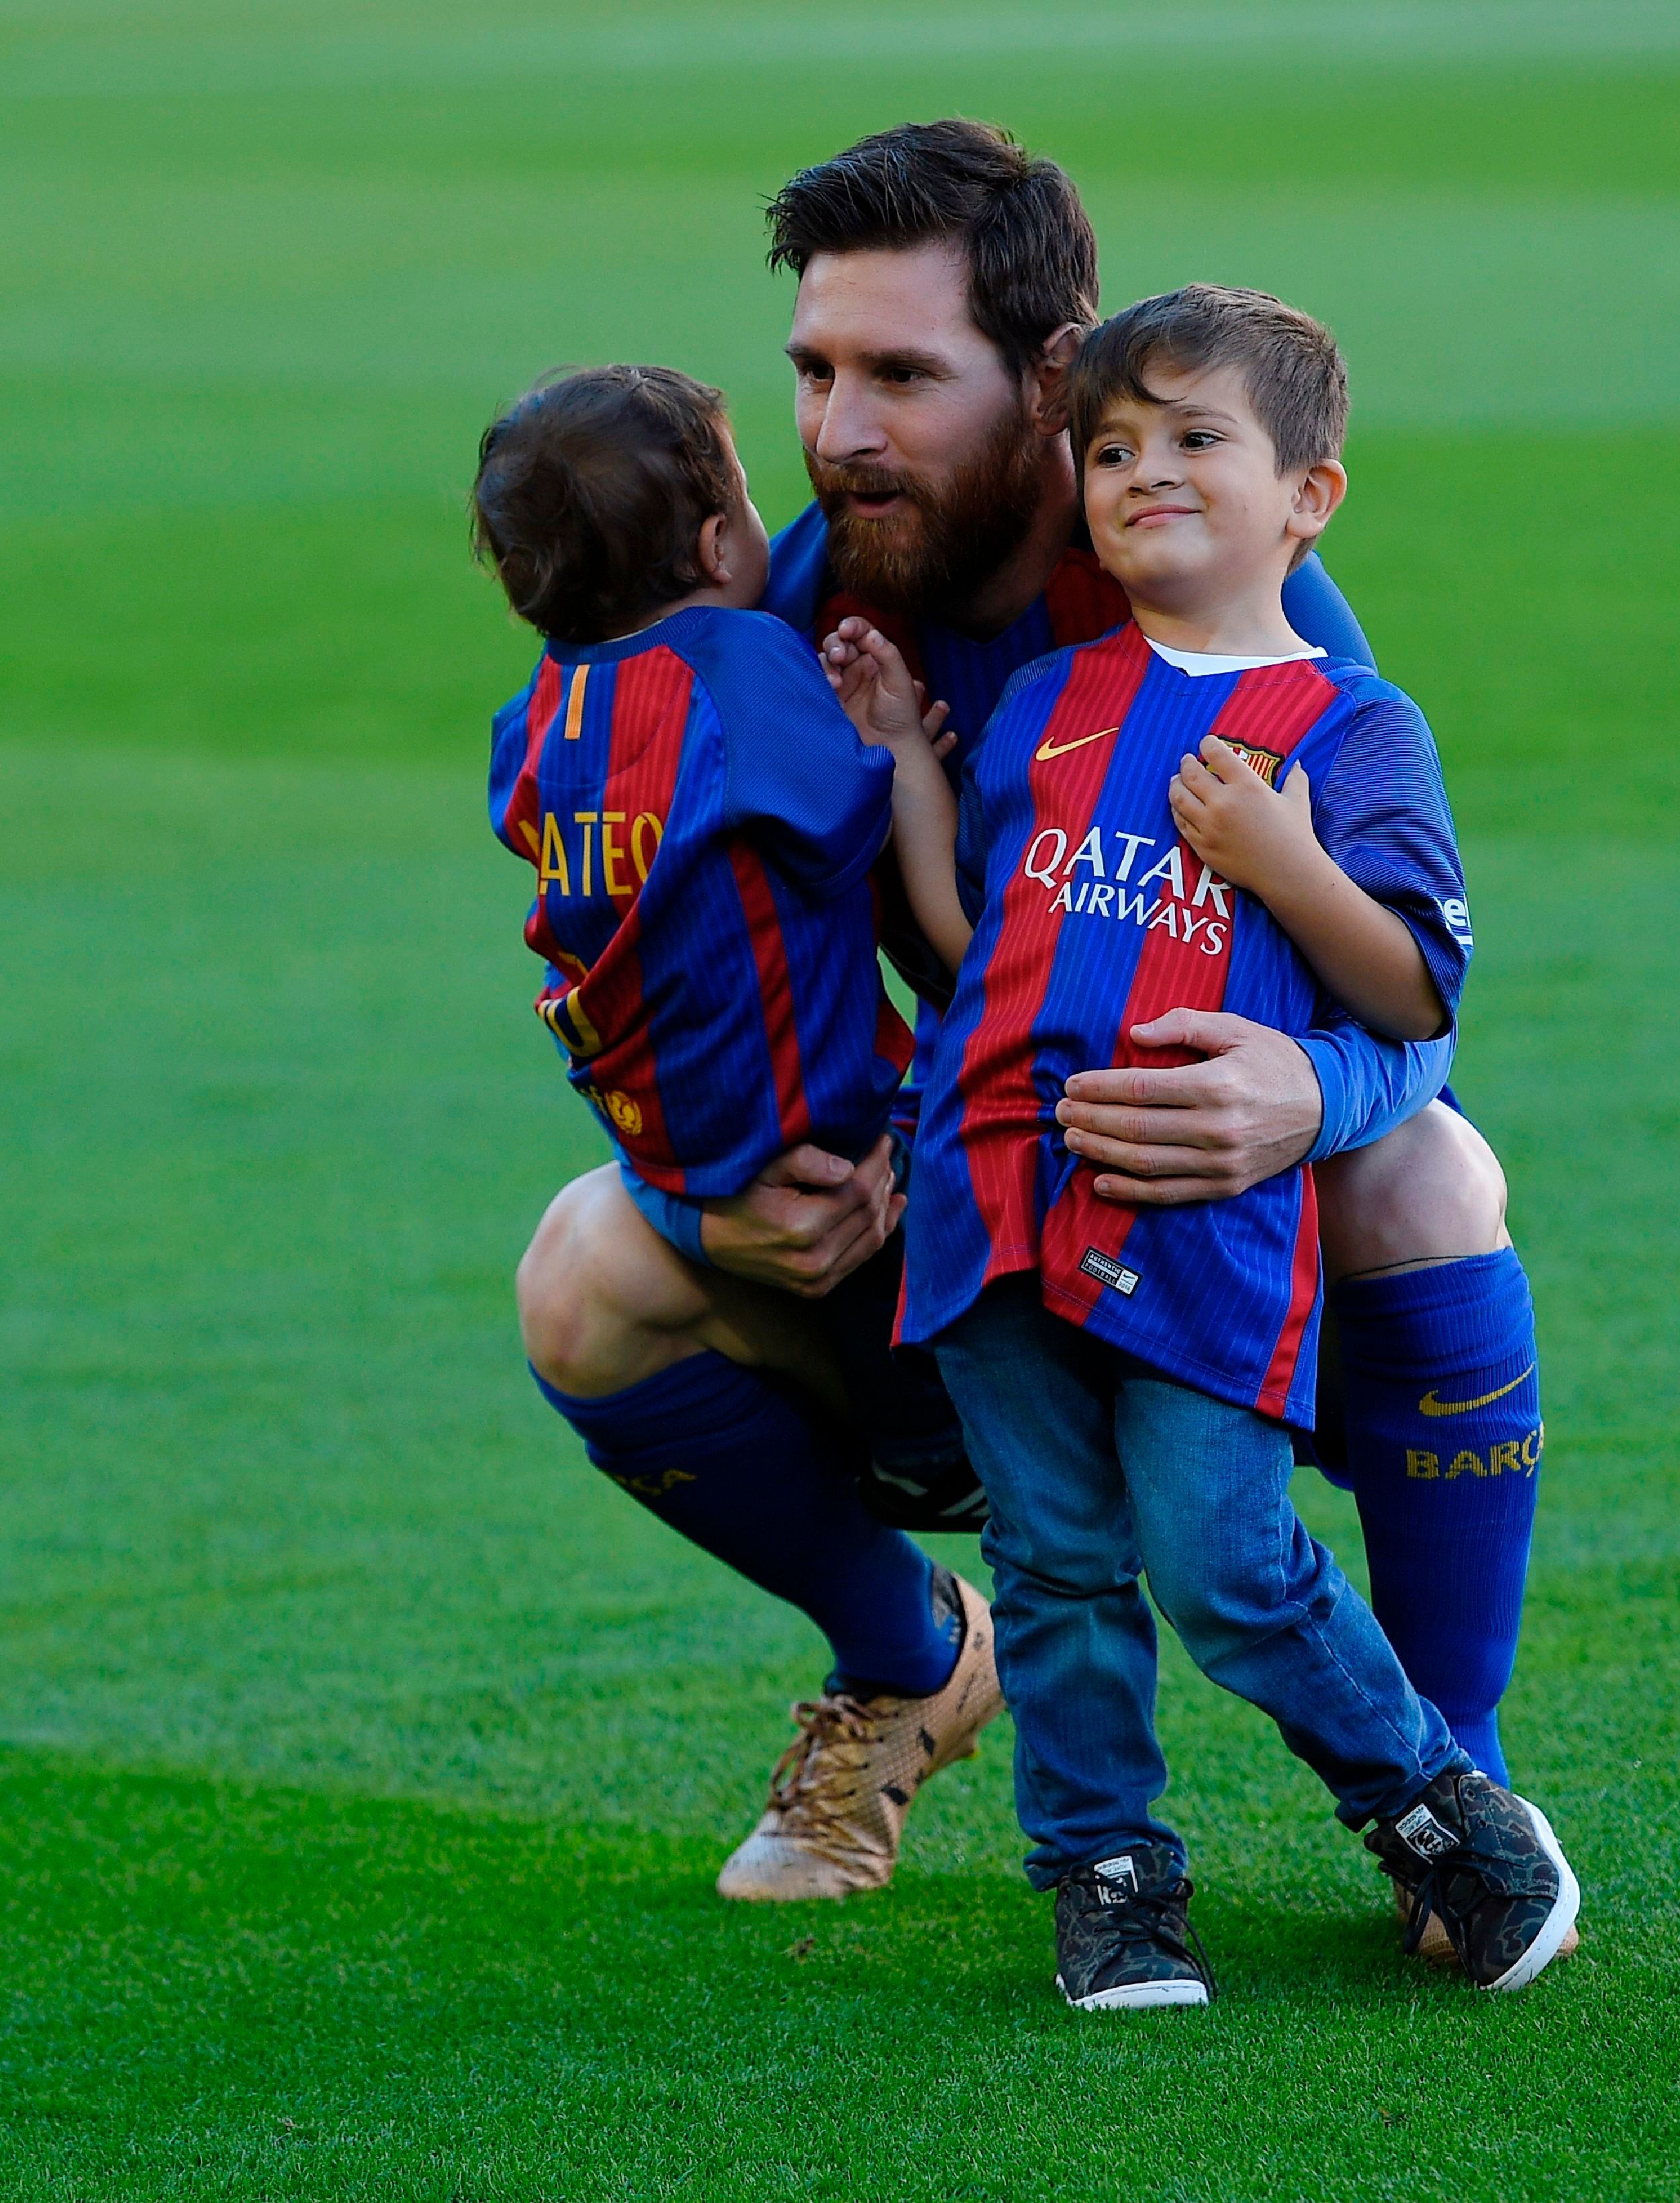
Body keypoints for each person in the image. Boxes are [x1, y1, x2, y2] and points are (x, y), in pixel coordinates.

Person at [515, 122, 1551, 1916]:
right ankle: (910, 1664)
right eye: (816, 372)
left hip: (1189, 1201)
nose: (837, 433)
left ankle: (1451, 1773)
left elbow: (1417, 978)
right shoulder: (777, 620)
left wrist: (1313, 1087)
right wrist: (716, 1174)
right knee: (584, 1272)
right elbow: (636, 949)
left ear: (1053, 379)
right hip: (957, 1198)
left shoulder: (1233, 599)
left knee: (1431, 1177)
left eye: (902, 376)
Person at [845, 280, 1577, 2006]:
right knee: (1055, 1566)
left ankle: (1432, 1804)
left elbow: (1412, 989)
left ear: (1306, 495)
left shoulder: (1350, 726)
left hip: (1203, 1220)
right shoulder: (1044, 698)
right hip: (999, 1199)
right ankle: (1107, 1876)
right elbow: (972, 939)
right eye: (1112, 448)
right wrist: (902, 763)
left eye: (1195, 440)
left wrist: (1279, 857)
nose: (1144, 471)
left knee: (1221, 1556)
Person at [471, 363, 1006, 1901]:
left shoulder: (539, 720)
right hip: (871, 1175)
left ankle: (924, 1640)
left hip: (700, 1172)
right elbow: (882, 865)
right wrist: (902, 745)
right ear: (718, 543)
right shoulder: (744, 671)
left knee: (597, 1266)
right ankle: (991, 1703)